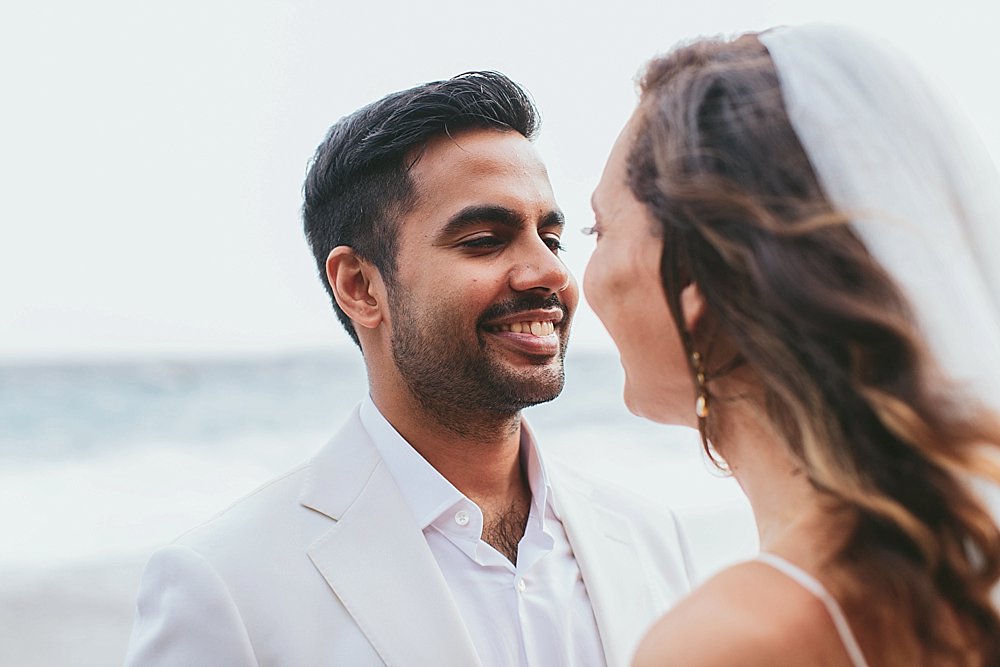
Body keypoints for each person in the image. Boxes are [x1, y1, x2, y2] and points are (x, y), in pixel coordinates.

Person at [124, 71, 694, 667]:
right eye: (484, 239)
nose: (550, 273)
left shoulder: (648, 536)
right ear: (360, 286)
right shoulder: (225, 583)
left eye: (551, 239)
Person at [583, 23, 1000, 667]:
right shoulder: (957, 559)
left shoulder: (729, 641)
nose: (573, 280)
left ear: (689, 276)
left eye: (600, 229)